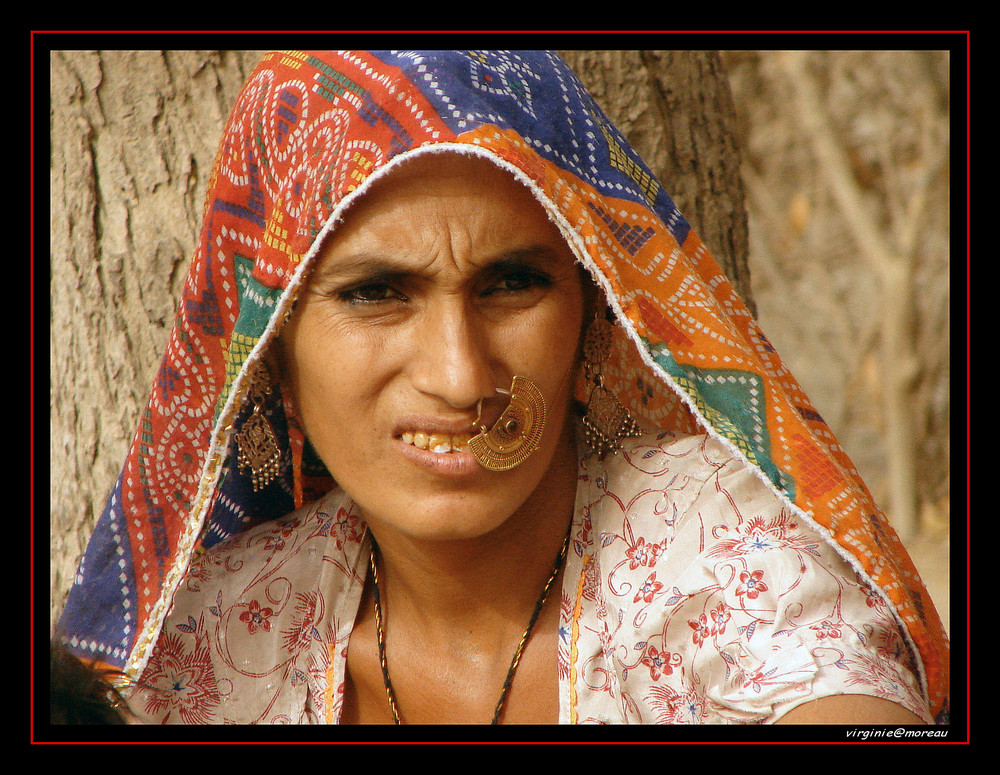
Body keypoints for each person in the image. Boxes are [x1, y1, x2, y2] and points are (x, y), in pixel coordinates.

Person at [56, 50, 949, 726]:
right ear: (274, 352)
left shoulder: (719, 547)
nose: (459, 375)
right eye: (376, 293)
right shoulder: (218, 634)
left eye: (510, 283)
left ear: (594, 313)